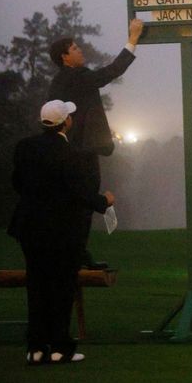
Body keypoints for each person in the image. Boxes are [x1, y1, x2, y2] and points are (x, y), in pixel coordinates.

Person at [7, 100, 115, 364]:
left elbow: (17, 183)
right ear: (66, 121)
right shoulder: (72, 154)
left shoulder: (25, 148)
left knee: (37, 286)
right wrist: (105, 202)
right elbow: (80, 192)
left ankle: (35, 348)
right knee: (62, 287)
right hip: (63, 231)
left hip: (30, 228)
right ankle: (59, 348)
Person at [47, 18, 143, 269]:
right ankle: (77, 255)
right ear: (65, 57)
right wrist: (133, 39)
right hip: (82, 150)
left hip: (70, 149)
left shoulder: (61, 80)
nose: (80, 50)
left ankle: (75, 253)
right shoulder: (77, 76)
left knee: (77, 204)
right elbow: (111, 72)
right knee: (84, 203)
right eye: (75, 48)